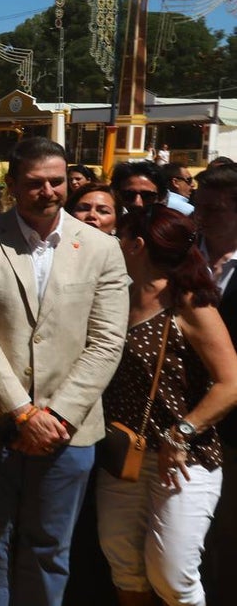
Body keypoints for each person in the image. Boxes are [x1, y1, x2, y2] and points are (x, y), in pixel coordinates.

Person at [0, 137, 129, 606]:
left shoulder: (101, 247)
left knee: (51, 547)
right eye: (35, 183)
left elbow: (107, 340)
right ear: (12, 185)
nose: (48, 191)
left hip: (69, 430)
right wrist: (23, 412)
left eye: (56, 181)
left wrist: (57, 415)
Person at [96, 205, 237, 606]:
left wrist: (183, 432)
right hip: (123, 455)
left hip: (181, 462)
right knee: (124, 567)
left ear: (136, 245)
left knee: (173, 577)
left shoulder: (189, 302)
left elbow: (232, 383)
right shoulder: (116, 296)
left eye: (120, 236)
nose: (114, 243)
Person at [193, 165, 237, 603]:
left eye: (213, 209)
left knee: (228, 532)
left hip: (233, 427)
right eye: (197, 206)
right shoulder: (181, 256)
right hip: (178, 415)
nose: (199, 215)